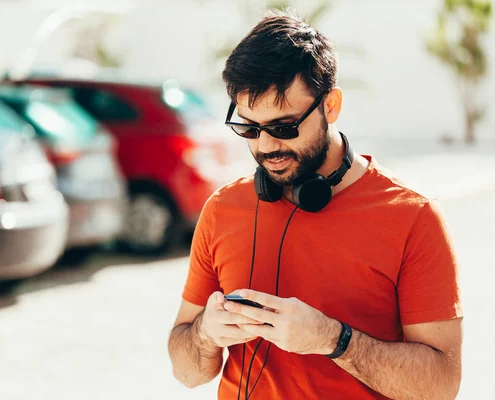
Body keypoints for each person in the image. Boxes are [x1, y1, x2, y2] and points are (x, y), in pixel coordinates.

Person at [168, 9, 463, 400]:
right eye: (250, 128)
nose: (266, 147)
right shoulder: (223, 208)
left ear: (331, 106)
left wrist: (333, 339)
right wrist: (205, 333)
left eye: (284, 127)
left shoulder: (413, 217)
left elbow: (441, 387)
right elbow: (187, 372)